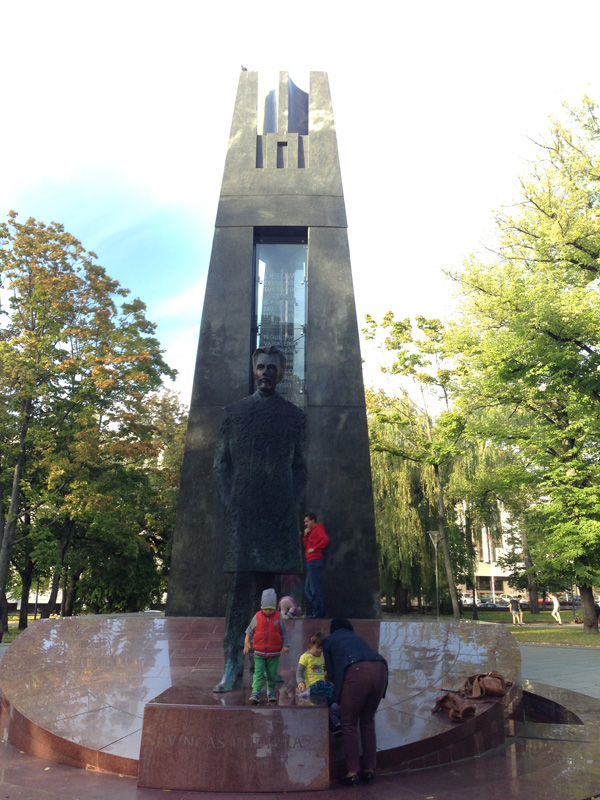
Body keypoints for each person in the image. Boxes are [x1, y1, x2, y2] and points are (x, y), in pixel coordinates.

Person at [212, 346, 306, 692]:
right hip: (245, 514)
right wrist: (231, 503)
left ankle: (264, 662)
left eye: (272, 368)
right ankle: (232, 663)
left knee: (269, 593)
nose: (266, 372)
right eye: (261, 366)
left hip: (276, 515)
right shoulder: (234, 413)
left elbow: (300, 467)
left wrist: (290, 503)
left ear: (281, 373)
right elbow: (221, 465)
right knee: (239, 591)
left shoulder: (293, 417)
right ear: (254, 371)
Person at [323, 618, 388, 786]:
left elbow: (331, 673)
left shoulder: (329, 641)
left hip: (357, 672)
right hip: (381, 669)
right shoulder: (356, 638)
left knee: (349, 723)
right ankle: (369, 769)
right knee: (368, 721)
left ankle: (352, 772)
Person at [243, 589, 289, 704]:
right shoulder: (257, 616)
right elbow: (249, 630)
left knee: (272, 673)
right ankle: (255, 691)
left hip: (274, 653)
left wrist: (285, 645)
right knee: (258, 673)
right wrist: (246, 642)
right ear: (262, 607)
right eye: (266, 609)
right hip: (259, 652)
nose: (268, 611)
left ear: (274, 608)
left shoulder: (278, 617)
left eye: (271, 609)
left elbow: (284, 633)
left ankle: (271, 690)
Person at [303, 512, 329, 618]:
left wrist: (315, 548)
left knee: (314, 588)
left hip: (314, 561)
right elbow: (306, 546)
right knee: (308, 589)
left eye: (307, 521)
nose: (305, 524)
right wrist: (305, 535)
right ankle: (320, 610)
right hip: (310, 562)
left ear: (313, 520)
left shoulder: (318, 529)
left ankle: (317, 612)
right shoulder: (311, 531)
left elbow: (325, 539)